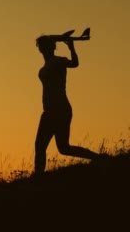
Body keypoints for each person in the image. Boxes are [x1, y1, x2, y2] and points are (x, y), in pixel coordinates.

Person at [34, 36, 106, 175]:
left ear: (52, 47)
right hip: (48, 111)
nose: (42, 49)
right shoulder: (43, 69)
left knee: (63, 148)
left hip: (60, 109)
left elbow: (74, 63)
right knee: (43, 146)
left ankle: (98, 158)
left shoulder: (59, 61)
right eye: (41, 47)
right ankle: (38, 176)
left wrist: (71, 47)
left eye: (45, 46)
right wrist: (58, 37)